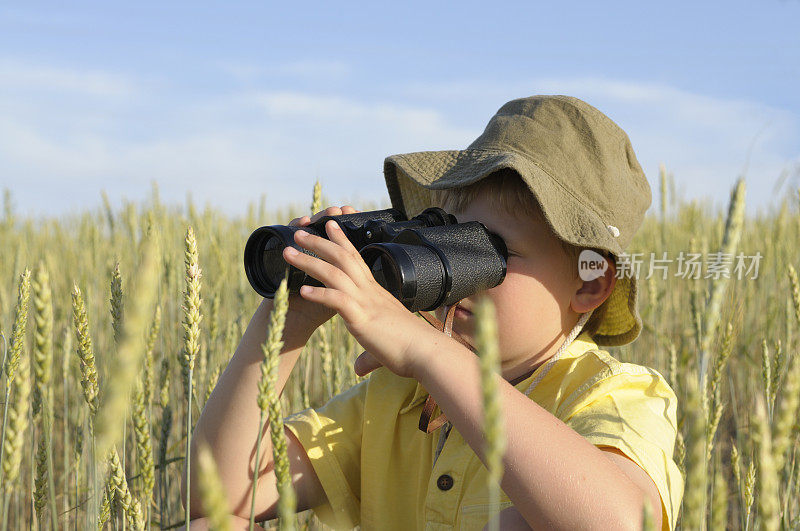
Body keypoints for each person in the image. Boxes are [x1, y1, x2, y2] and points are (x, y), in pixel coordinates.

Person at [183, 95, 684, 530]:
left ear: (591, 282)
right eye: (440, 237)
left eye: (484, 251)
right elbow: (217, 496)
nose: (452, 271)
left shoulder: (613, 396)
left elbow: (617, 522)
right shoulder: (397, 399)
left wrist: (428, 352)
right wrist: (286, 314)